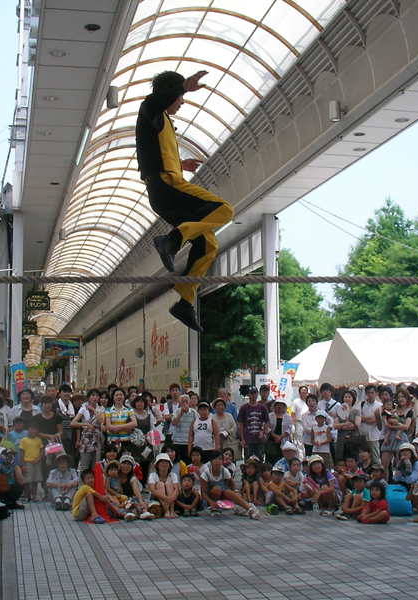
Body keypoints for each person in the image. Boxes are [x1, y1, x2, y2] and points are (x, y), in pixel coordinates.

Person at [137, 69, 233, 332]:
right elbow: (155, 101)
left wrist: (180, 164)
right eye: (179, 96)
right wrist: (184, 86)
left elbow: (153, 152)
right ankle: (172, 240)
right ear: (169, 92)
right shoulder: (151, 110)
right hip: (167, 186)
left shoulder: (162, 122)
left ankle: (184, 302)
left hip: (166, 189)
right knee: (224, 210)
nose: (182, 101)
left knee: (207, 245)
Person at [200, 450, 259, 519]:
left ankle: (249, 509)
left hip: (221, 496)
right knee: (217, 489)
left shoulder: (224, 470)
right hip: (209, 500)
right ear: (211, 461)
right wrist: (211, 502)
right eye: (215, 459)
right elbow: (203, 493)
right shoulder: (206, 474)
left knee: (228, 492)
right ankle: (214, 509)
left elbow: (232, 482)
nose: (217, 461)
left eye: (220, 459)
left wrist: (235, 491)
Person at [380, 388, 414, 479]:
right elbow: (384, 416)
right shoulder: (392, 408)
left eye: (403, 397)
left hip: (400, 437)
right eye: (398, 397)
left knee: (401, 462)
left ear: (407, 398)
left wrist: (393, 426)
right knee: (384, 463)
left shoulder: (409, 411)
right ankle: (384, 485)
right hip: (389, 436)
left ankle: (402, 482)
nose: (400, 399)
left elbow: (406, 426)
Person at [72, 389, 104, 471]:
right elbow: (73, 423)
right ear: (89, 397)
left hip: (96, 437)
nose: (95, 398)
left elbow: (101, 421)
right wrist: (86, 424)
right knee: (84, 464)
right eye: (93, 395)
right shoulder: (83, 408)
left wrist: (93, 410)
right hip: (86, 437)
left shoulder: (101, 409)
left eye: (97, 396)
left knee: (96, 464)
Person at [237, 386, 270, 462]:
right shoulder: (243, 408)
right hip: (248, 439)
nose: (253, 395)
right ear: (248, 395)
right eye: (251, 393)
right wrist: (242, 439)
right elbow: (241, 424)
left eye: (254, 393)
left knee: (260, 460)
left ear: (257, 394)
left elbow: (267, 421)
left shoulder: (262, 407)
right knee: (248, 460)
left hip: (259, 439)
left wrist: (262, 431)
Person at [117, 455, 154, 520]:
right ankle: (131, 514)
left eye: (129, 464)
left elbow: (135, 489)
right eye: (123, 463)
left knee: (136, 503)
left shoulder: (132, 478)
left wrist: (141, 501)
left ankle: (143, 512)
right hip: (118, 499)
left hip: (129, 499)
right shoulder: (115, 476)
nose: (126, 466)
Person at [149, 453, 181, 518]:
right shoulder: (153, 475)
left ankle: (171, 510)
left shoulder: (173, 475)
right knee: (160, 484)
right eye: (162, 462)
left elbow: (177, 489)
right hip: (157, 499)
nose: (164, 464)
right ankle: (166, 510)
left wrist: (171, 499)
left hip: (171, 499)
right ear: (157, 465)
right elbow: (153, 490)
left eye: (166, 462)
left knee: (168, 484)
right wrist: (167, 498)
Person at [19, 423, 44, 502]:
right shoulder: (24, 440)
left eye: (35, 429)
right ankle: (26, 496)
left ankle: (34, 496)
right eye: (32, 429)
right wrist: (23, 465)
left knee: (36, 481)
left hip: (36, 462)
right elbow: (22, 453)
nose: (33, 431)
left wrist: (39, 458)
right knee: (27, 481)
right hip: (28, 462)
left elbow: (42, 451)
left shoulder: (38, 440)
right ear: (28, 430)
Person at [334, 389, 361, 461]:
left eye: (349, 397)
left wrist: (341, 426)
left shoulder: (356, 411)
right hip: (341, 439)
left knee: (353, 458)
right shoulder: (339, 412)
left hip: (353, 439)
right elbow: (335, 425)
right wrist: (345, 424)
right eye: (345, 397)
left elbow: (356, 425)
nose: (347, 399)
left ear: (353, 399)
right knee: (341, 458)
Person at [359, 385, 383, 465]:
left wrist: (365, 418)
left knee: (375, 458)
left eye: (372, 393)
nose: (370, 395)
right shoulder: (362, 405)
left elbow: (377, 420)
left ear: (376, 393)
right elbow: (359, 417)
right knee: (363, 458)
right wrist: (371, 418)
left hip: (375, 436)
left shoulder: (379, 406)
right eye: (368, 393)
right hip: (364, 435)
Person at [170, 394, 197, 464]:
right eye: (183, 402)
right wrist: (181, 413)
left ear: (189, 402)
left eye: (186, 401)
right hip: (177, 442)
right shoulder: (176, 411)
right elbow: (173, 423)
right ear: (180, 403)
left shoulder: (194, 413)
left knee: (188, 463)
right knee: (177, 463)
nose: (185, 404)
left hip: (188, 443)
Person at [265, 400, 293, 466]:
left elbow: (289, 429)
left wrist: (280, 437)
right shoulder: (270, 416)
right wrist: (275, 436)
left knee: (282, 458)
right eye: (277, 404)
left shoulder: (288, 417)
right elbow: (267, 427)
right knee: (270, 459)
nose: (279, 406)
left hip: (283, 440)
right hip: (272, 440)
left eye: (281, 404)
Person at [56, 384, 77, 461]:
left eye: (68, 392)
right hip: (59, 438)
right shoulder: (55, 406)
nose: (66, 394)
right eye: (64, 391)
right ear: (60, 394)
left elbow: (77, 424)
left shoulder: (74, 407)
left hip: (71, 437)